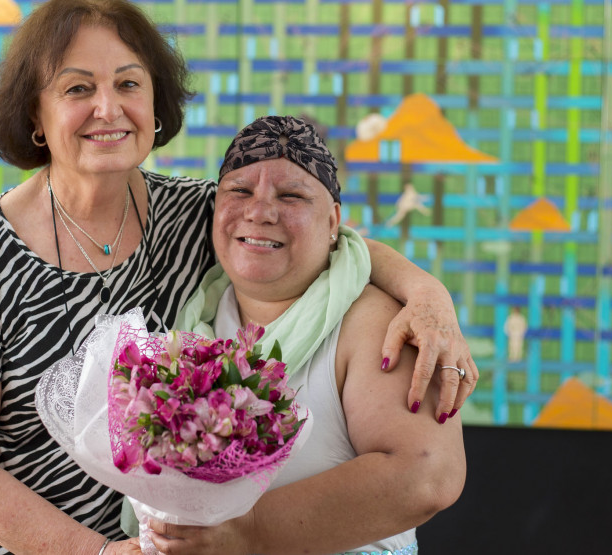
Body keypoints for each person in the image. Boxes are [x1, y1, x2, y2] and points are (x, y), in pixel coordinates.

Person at [0, 1, 476, 553]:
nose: (108, 108)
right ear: (35, 114)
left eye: (128, 84)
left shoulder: (195, 215)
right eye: (78, 88)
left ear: (155, 104)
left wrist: (428, 295)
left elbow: (315, 241)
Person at [146, 116, 467, 554]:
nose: (258, 211)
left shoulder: (375, 323)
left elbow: (428, 474)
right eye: (239, 191)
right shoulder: (193, 314)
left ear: (334, 221)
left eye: (291, 195)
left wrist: (249, 531)